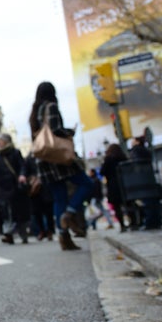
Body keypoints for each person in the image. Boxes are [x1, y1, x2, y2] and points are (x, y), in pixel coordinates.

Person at [29, 81, 92, 250]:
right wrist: (70, 132)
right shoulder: (51, 106)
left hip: (43, 160)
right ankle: (69, 214)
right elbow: (55, 131)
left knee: (59, 198)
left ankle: (64, 238)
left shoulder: (34, 113)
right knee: (87, 183)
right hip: (57, 158)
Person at [0, 133, 30, 244]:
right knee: (6, 212)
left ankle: (22, 233)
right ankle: (8, 234)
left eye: (1, 140)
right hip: (2, 188)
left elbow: (22, 166)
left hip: (15, 187)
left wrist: (22, 175)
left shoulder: (15, 153)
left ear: (6, 141)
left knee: (19, 212)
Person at [100, 143, 130, 232]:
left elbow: (102, 172)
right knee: (128, 204)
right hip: (125, 184)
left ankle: (122, 225)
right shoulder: (123, 158)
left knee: (117, 207)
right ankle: (134, 222)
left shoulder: (108, 159)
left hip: (113, 185)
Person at [26, 154, 55, 241]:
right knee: (36, 212)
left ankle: (50, 231)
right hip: (35, 189)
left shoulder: (45, 155)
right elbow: (25, 171)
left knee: (48, 211)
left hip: (46, 186)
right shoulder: (29, 159)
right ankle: (42, 231)